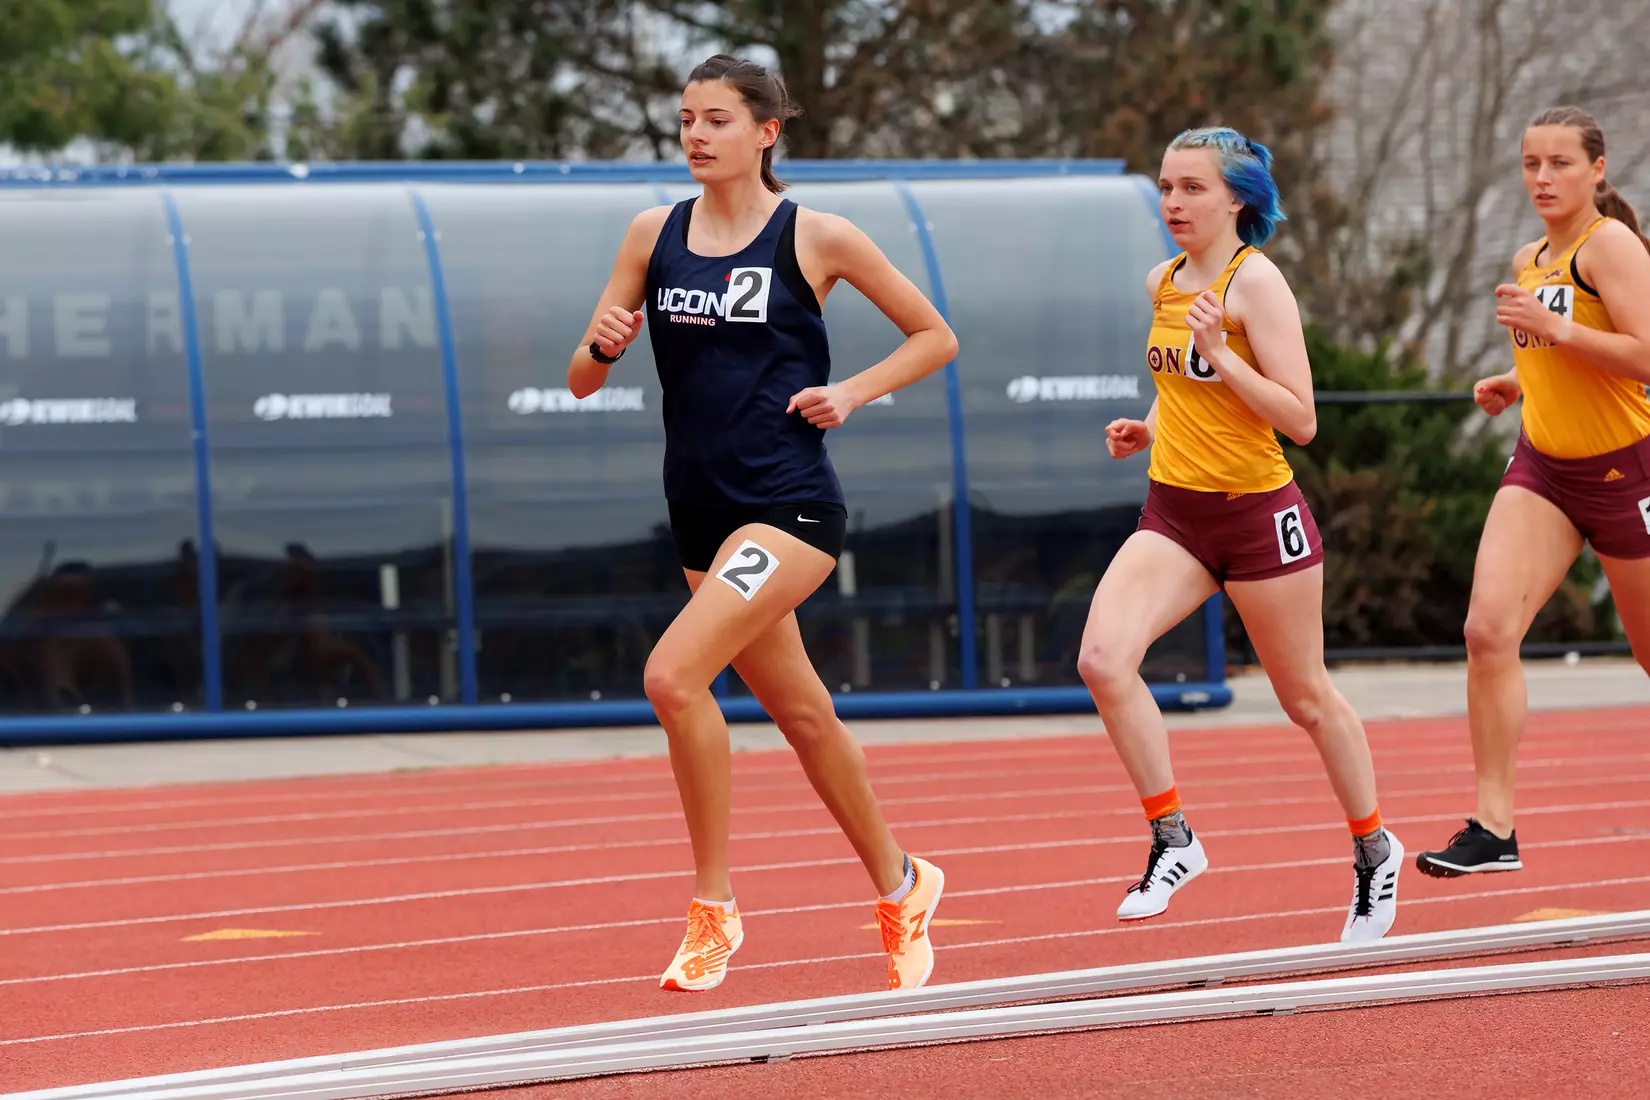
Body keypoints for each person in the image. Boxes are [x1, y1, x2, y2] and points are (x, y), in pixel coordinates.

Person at [567, 54, 957, 992]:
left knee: (672, 676)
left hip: (788, 510)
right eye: (687, 119)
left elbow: (934, 334)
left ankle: (714, 910)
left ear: (766, 132)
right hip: (698, 515)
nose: (697, 135)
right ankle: (904, 883)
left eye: (717, 120)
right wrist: (602, 346)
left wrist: (851, 393)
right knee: (805, 716)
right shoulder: (651, 234)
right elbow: (580, 376)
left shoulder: (816, 236)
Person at [1080, 127, 1403, 943]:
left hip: (1260, 518)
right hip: (1177, 513)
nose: (1173, 203)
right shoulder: (1161, 281)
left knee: (1305, 699)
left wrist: (1222, 351)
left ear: (1236, 200)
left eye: (1192, 188)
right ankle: (1173, 838)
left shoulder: (1257, 283)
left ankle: (1374, 850)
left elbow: (1301, 419)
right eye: (1165, 187)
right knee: (1102, 661)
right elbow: (1178, 390)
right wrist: (1147, 429)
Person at [1417, 107, 1650, 878]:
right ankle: (1494, 827)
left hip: (1628, 471)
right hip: (1545, 471)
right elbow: (1560, 358)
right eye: (1530, 164)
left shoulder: (1608, 245)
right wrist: (1516, 382)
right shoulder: (1529, 257)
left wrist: (1558, 337)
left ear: (1597, 170)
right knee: (1487, 632)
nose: (1542, 178)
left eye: (1559, 163)